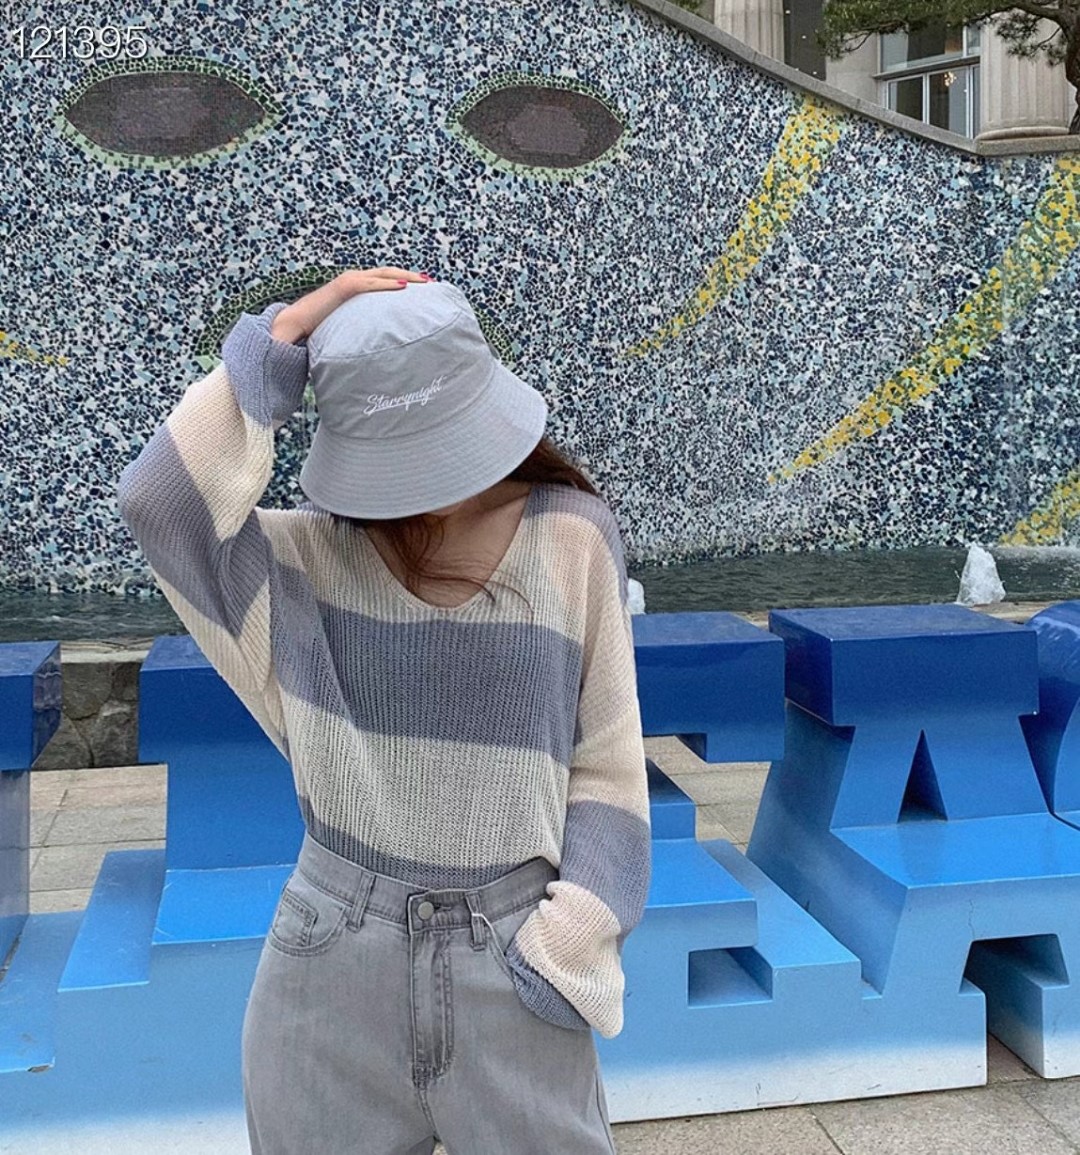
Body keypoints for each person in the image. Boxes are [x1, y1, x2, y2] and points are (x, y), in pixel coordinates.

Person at [117, 266, 651, 1154]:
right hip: (328, 967)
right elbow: (159, 500)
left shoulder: (573, 534)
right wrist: (286, 334)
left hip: (516, 949)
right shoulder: (302, 564)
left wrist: (572, 938)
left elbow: (608, 758)